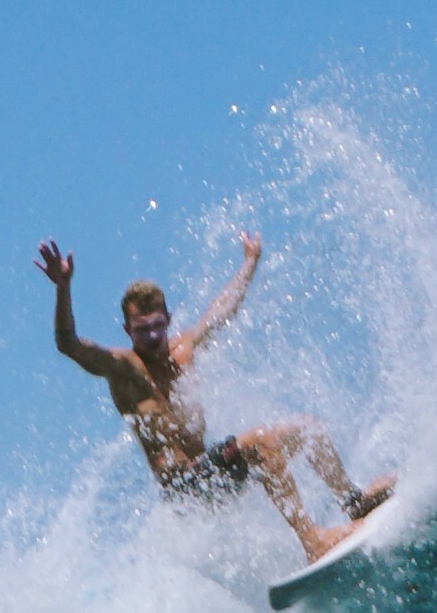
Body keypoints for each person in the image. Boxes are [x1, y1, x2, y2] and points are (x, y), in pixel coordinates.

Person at [39, 236, 385, 561]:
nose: (153, 336)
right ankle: (313, 542)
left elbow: (223, 309)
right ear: (128, 331)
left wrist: (250, 261)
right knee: (260, 442)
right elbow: (69, 344)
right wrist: (63, 288)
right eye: (142, 330)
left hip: (212, 472)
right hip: (184, 488)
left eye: (158, 325)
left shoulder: (184, 350)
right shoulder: (124, 369)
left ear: (168, 320)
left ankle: (353, 500)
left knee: (307, 429)